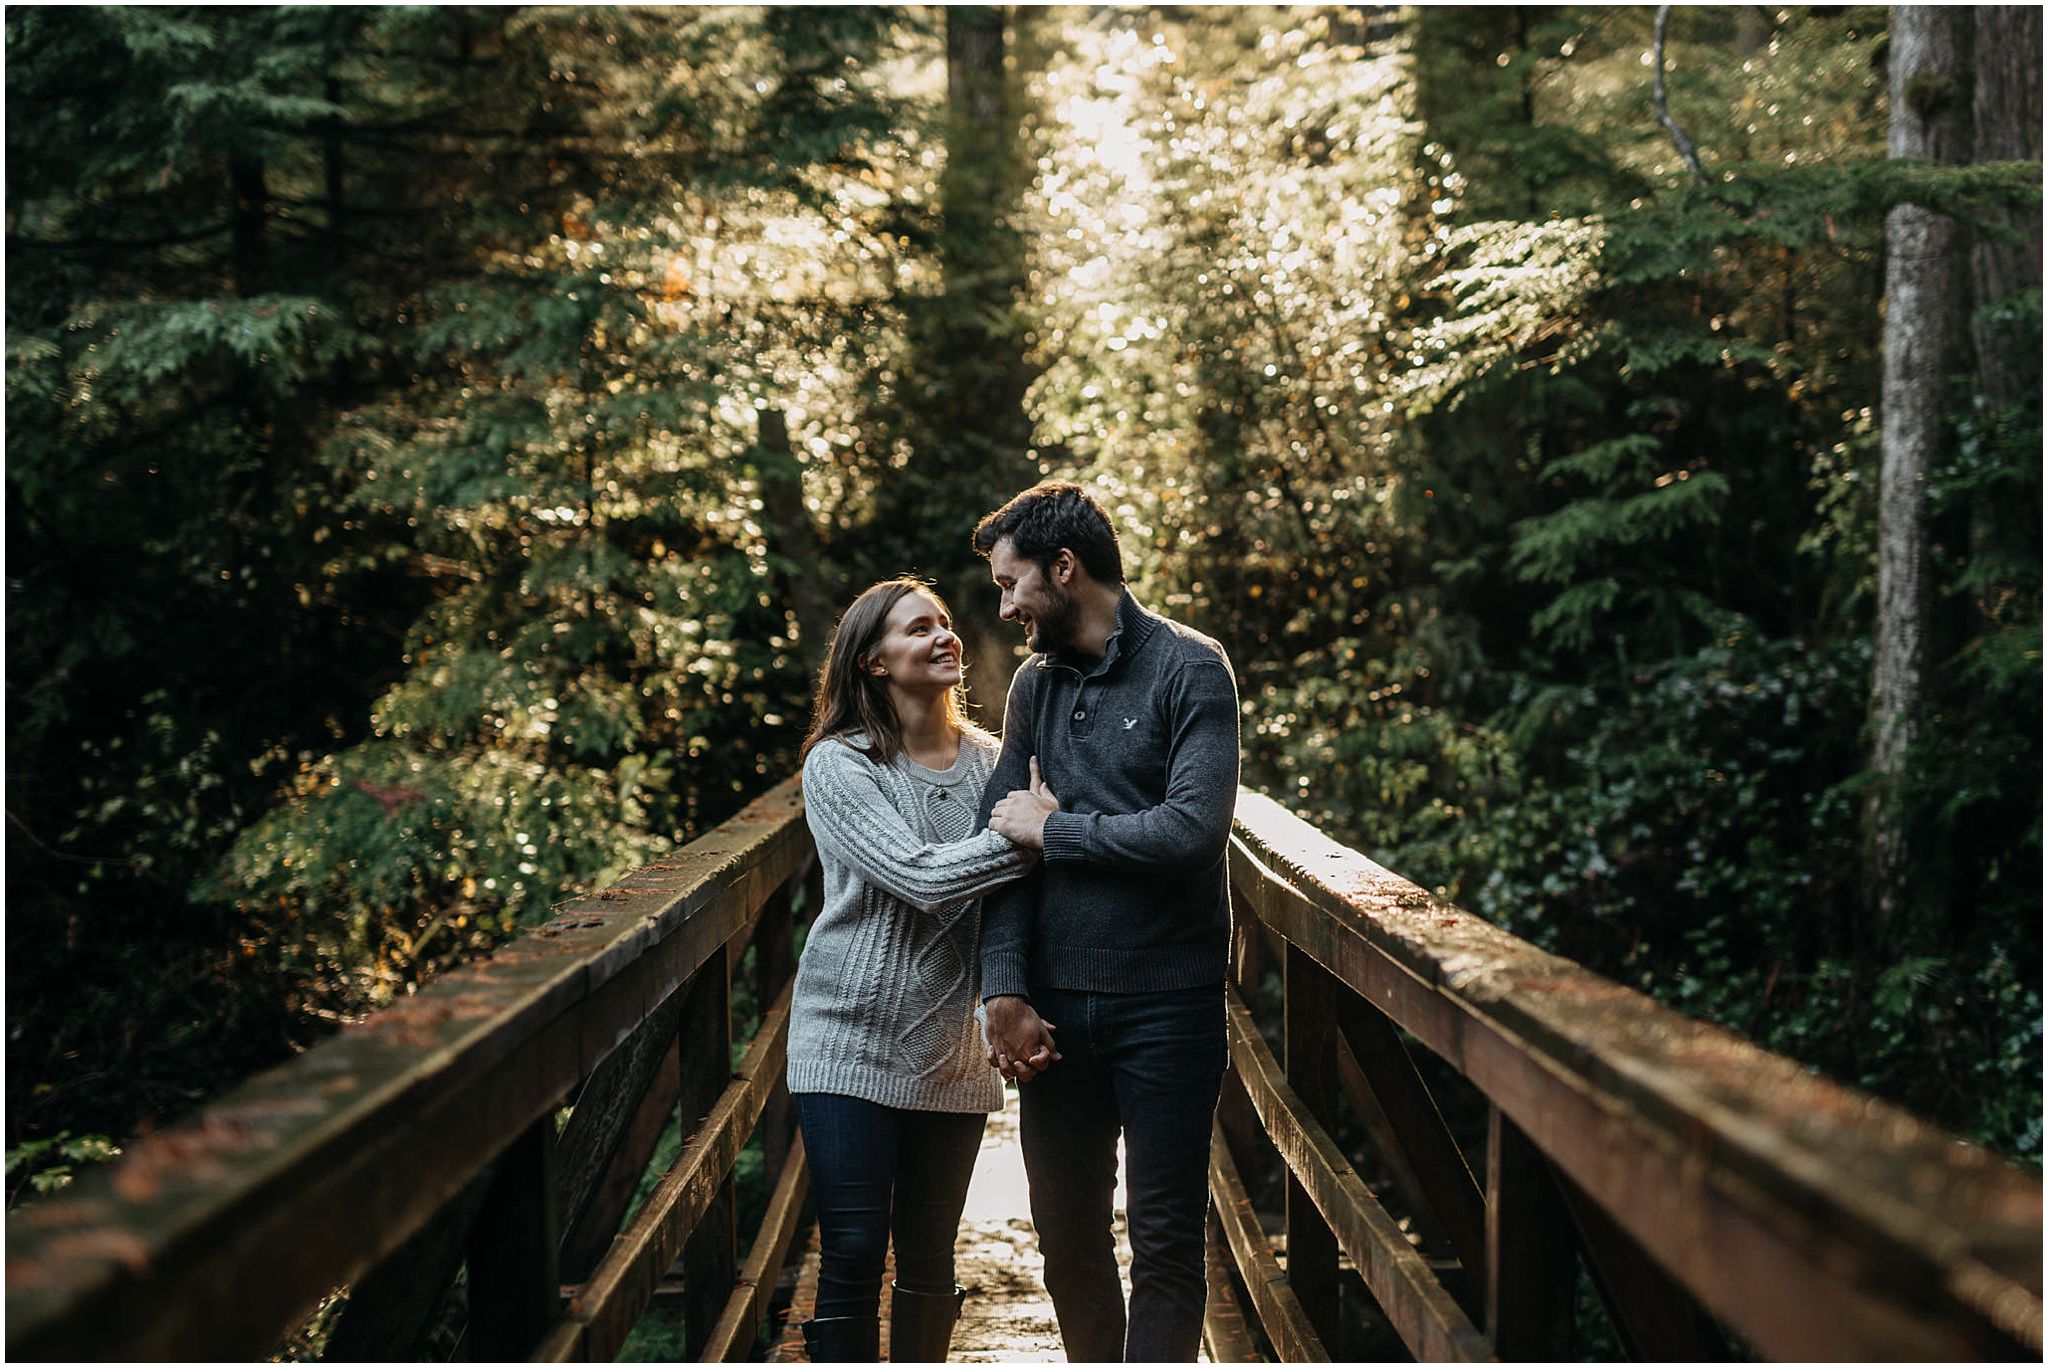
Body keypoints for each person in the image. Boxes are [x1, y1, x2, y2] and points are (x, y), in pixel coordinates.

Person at [973, 482, 1241, 1362]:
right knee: (1069, 1247)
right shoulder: (1032, 686)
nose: (1007, 607)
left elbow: (1190, 834)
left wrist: (1059, 830)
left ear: (1065, 567)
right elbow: (1001, 845)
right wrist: (1003, 988)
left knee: (1166, 1245)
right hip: (1051, 1006)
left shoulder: (1192, 668)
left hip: (1170, 1003)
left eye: (1013, 585)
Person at [786, 577, 1053, 1363]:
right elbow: (923, 878)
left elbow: (1023, 893)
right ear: (872, 660)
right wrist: (1036, 832)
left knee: (933, 1263)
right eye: (917, 629)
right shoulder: (839, 767)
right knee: (855, 1252)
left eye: (944, 624)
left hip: (950, 1049)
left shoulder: (996, 763)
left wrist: (1046, 832)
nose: (944, 637)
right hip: (845, 1045)